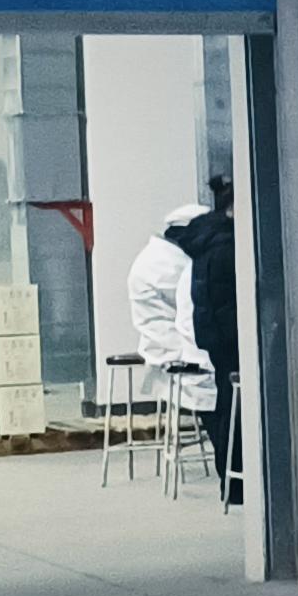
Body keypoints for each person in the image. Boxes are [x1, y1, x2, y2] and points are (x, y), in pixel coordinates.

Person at [125, 175, 241, 497]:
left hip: (183, 347)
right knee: (224, 409)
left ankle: (232, 478)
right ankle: (235, 479)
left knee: (222, 407)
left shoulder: (170, 257)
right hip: (182, 353)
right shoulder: (174, 262)